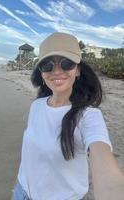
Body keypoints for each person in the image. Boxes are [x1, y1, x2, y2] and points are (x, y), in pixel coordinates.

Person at [13, 32, 124, 200]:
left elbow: (102, 157)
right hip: (22, 192)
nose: (57, 71)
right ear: (41, 73)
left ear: (77, 70)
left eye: (66, 63)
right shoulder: (36, 106)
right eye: (47, 65)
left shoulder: (88, 117)